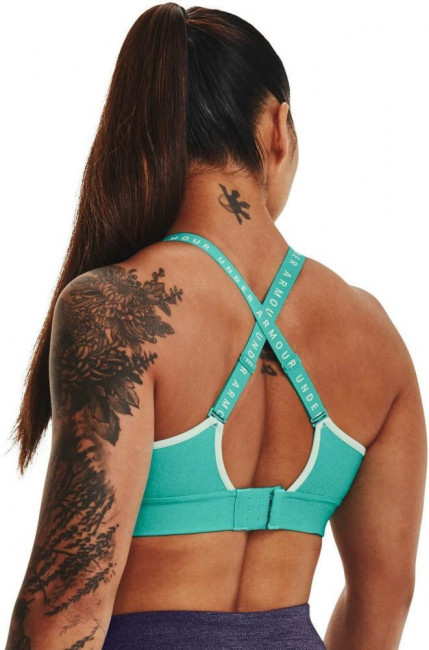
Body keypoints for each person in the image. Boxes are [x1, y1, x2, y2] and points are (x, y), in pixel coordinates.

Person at [5, 4, 426, 649]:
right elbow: (384, 601)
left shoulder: (117, 309)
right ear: (277, 126)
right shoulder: (374, 336)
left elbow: (65, 612)